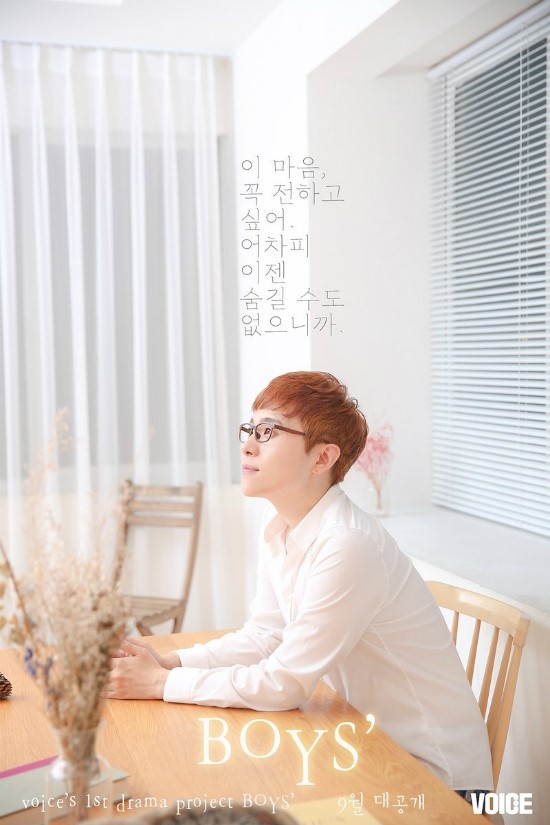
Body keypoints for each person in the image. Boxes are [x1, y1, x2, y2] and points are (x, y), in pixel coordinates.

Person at [107, 371, 493, 794]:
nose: (248, 444)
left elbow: (285, 684)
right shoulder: (279, 523)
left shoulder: (348, 544)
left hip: (432, 776)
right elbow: (266, 636)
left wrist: (159, 683)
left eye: (269, 431)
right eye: (250, 429)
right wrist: (171, 663)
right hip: (360, 741)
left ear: (322, 458)